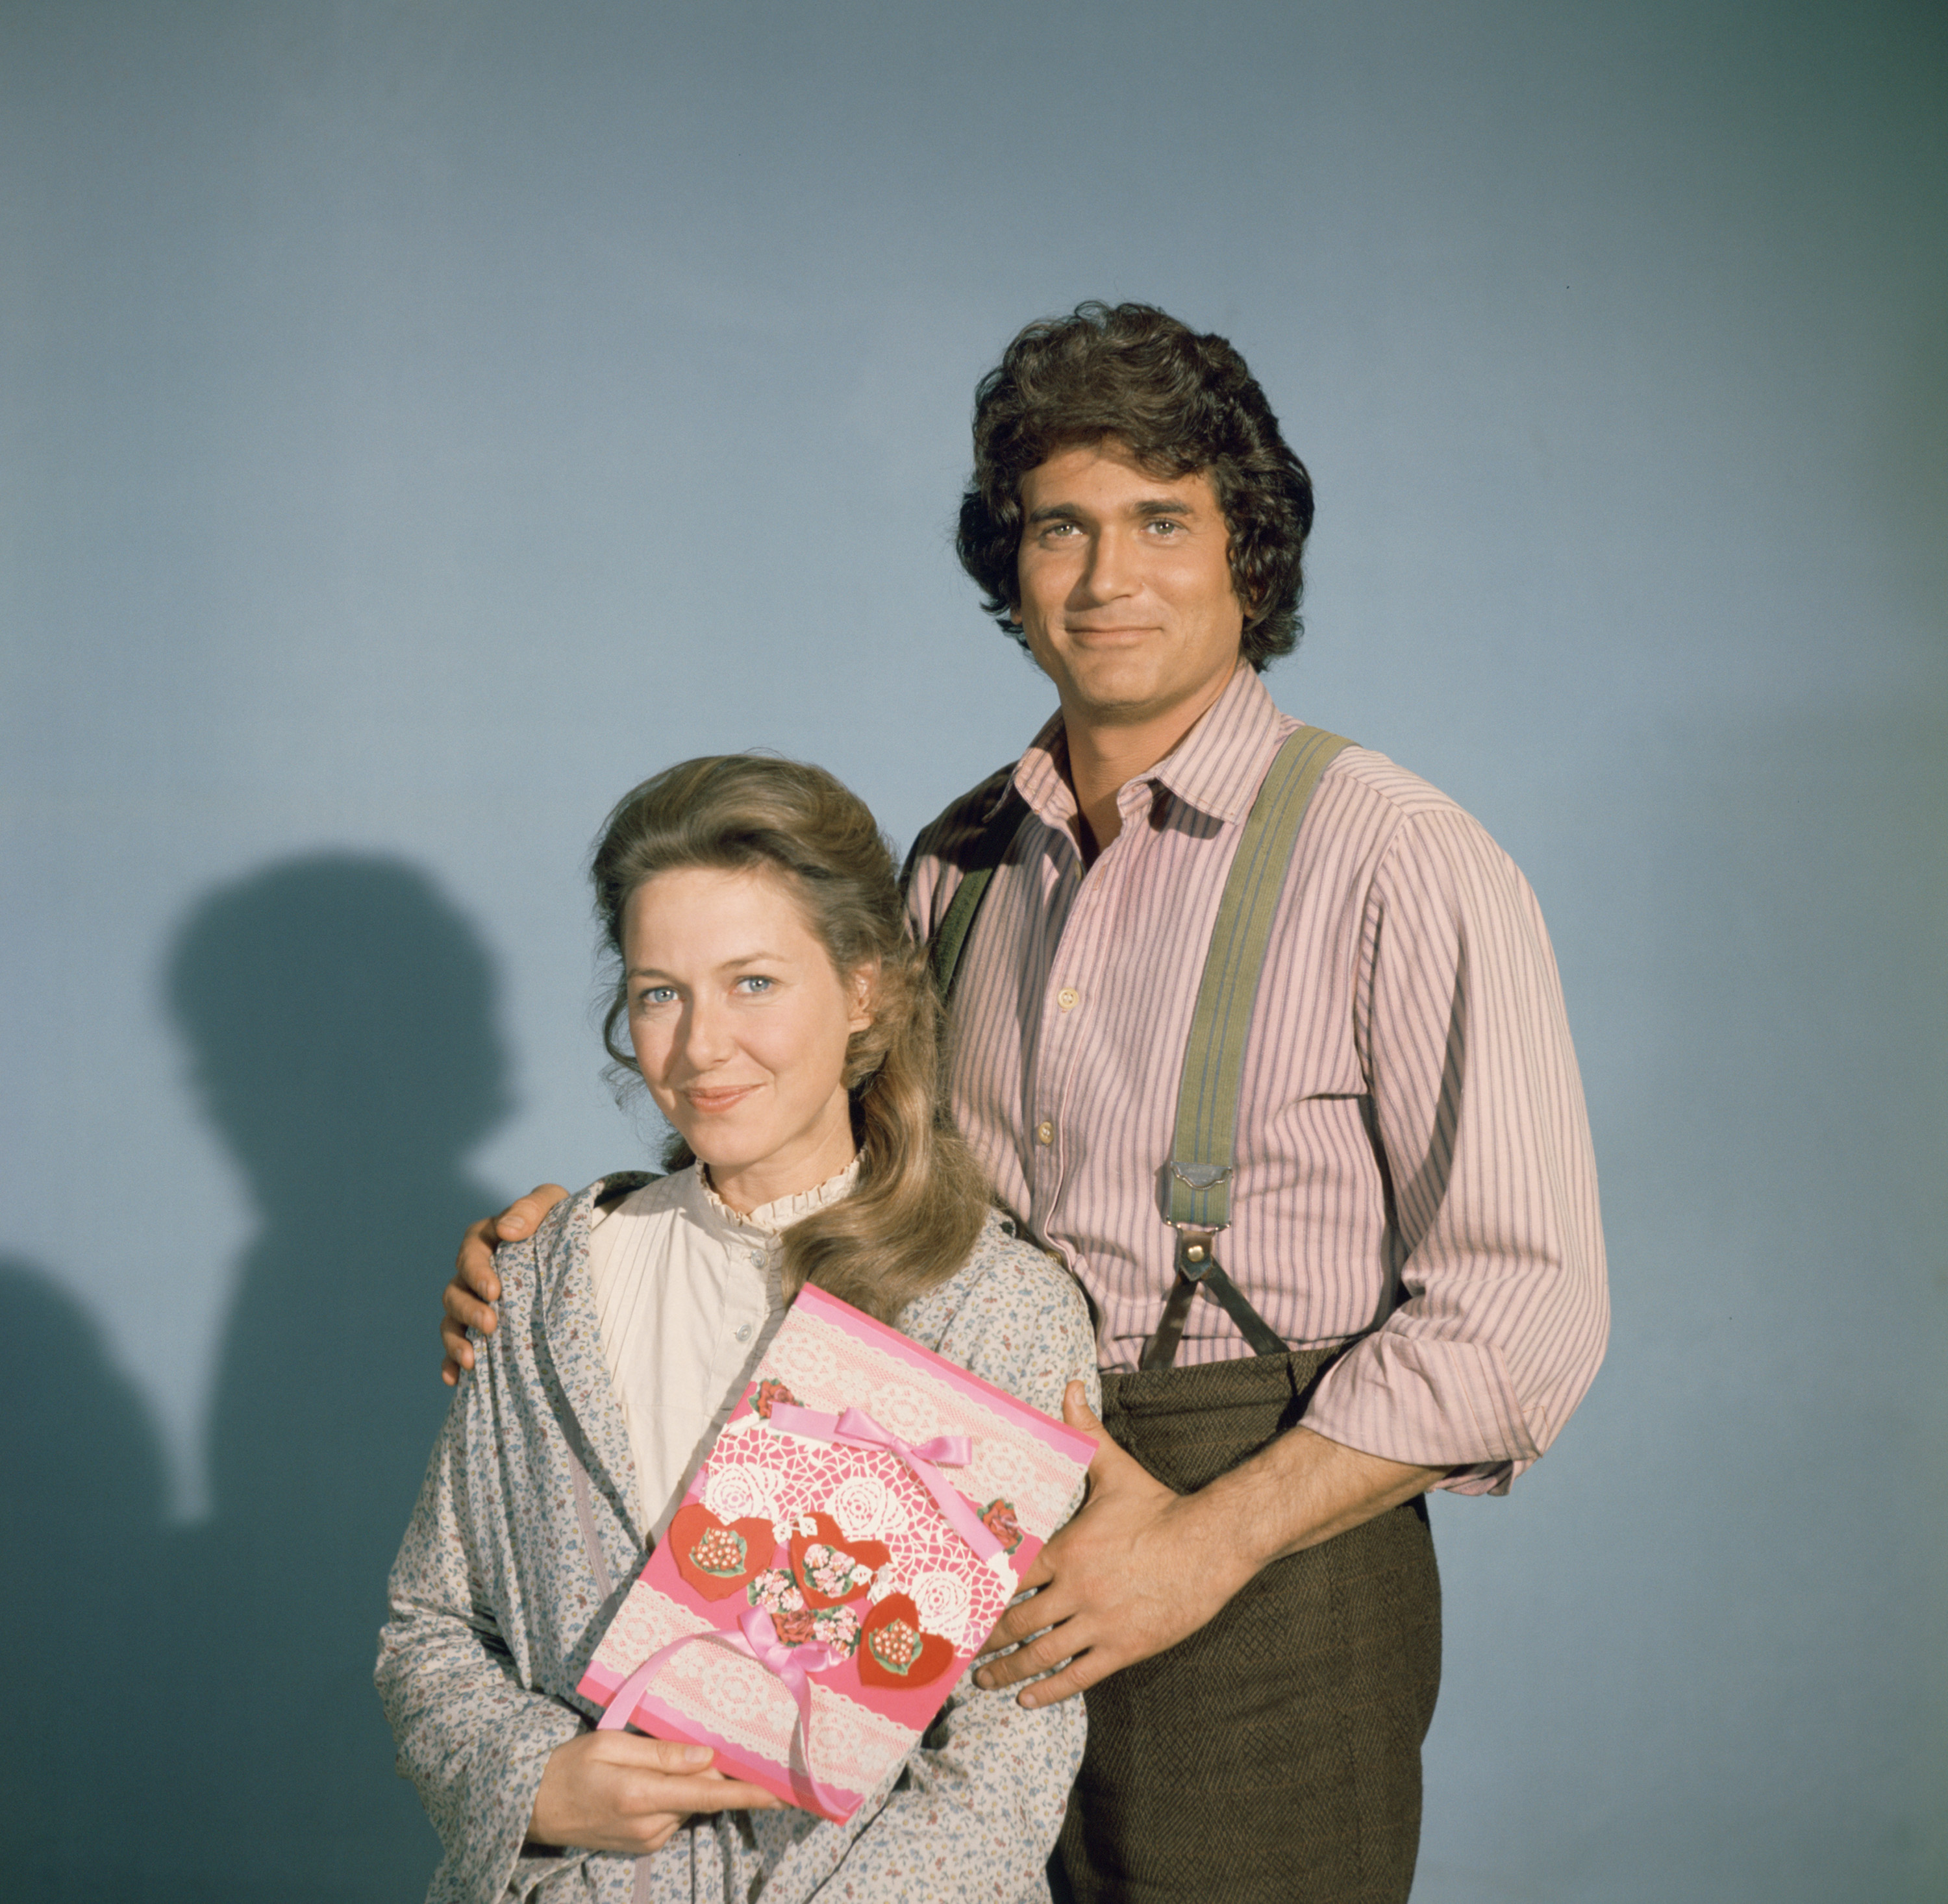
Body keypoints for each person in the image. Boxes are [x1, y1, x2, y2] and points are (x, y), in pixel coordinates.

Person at [442, 303, 1609, 1903]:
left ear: (1246, 557)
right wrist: (581, 1247)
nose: (1109, 577)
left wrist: (1203, 1545)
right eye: (1062, 527)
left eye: (1162, 522)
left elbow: (1524, 1314)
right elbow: (814, 1139)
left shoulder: (1398, 859)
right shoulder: (957, 862)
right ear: (1011, 568)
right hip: (932, 1525)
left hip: (1265, 1562)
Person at [382, 754, 1099, 1903]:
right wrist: (534, 1781)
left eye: (754, 982)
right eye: (662, 991)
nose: (703, 1046)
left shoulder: (991, 1308)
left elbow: (1008, 1753)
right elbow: (429, 1624)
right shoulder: (549, 1273)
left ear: (864, 989)